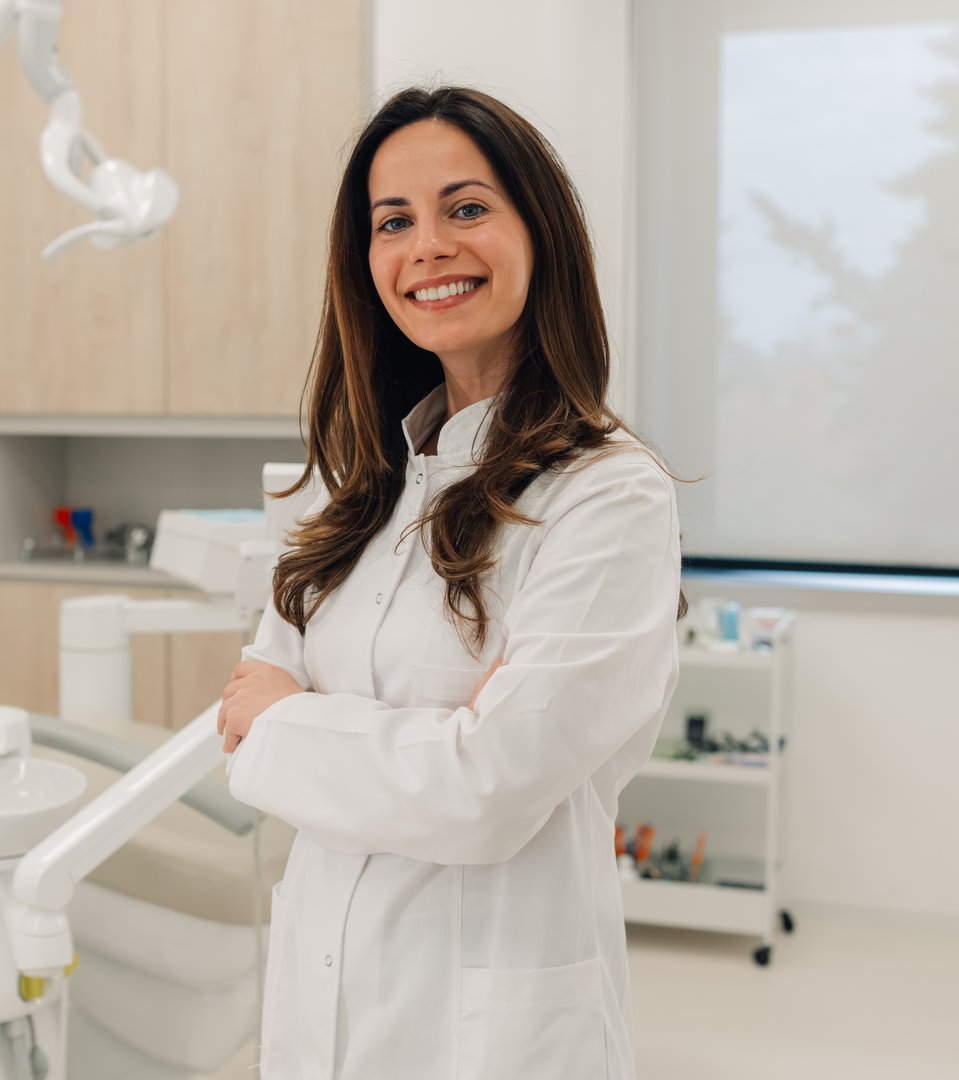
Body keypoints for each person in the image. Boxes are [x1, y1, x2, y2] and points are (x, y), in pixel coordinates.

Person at [216, 86, 684, 1080]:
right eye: (393, 222)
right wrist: (427, 741)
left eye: (466, 208)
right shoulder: (355, 491)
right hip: (320, 1005)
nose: (427, 247)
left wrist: (295, 720)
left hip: (491, 1036)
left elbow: (486, 791)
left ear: (540, 233)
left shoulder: (608, 494)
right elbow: (242, 731)